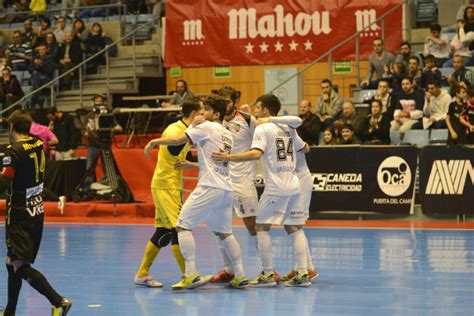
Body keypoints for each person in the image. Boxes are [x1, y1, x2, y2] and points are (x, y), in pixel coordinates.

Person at [145, 94, 249, 290]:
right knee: (226, 233)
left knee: (182, 226)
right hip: (226, 188)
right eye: (201, 111)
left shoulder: (206, 127)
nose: (202, 114)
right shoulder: (226, 133)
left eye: (206, 111)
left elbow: (177, 140)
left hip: (209, 186)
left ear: (216, 114)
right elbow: (209, 158)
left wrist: (154, 142)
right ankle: (241, 275)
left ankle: (191, 274)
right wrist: (191, 163)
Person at [213, 94, 312, 288]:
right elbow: (305, 148)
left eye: (258, 108)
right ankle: (303, 273)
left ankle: (267, 273)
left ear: (265, 110)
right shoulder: (287, 127)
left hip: (276, 187)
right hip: (293, 185)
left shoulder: (263, 128)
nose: (255, 111)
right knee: (294, 228)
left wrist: (230, 158)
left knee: (261, 227)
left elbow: (255, 154)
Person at [1, 110, 71, 316]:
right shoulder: (38, 144)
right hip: (36, 211)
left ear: (12, 128)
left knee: (19, 265)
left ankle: (59, 302)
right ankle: (10, 311)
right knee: (11, 262)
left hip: (19, 214)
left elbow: (5, 181)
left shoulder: (13, 151)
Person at [134, 97, 203, 288]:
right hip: (166, 185)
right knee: (179, 228)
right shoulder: (175, 130)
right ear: (194, 114)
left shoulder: (186, 131)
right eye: (202, 111)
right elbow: (174, 147)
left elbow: (185, 153)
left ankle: (141, 274)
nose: (204, 115)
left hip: (170, 184)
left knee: (163, 231)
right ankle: (188, 275)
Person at [210, 86, 260, 284]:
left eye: (227, 101)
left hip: (243, 181)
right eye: (221, 101)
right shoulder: (214, 121)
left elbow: (262, 143)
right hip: (221, 181)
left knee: (253, 226)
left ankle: (268, 270)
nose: (224, 105)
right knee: (218, 227)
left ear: (235, 102)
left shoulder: (248, 120)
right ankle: (229, 270)